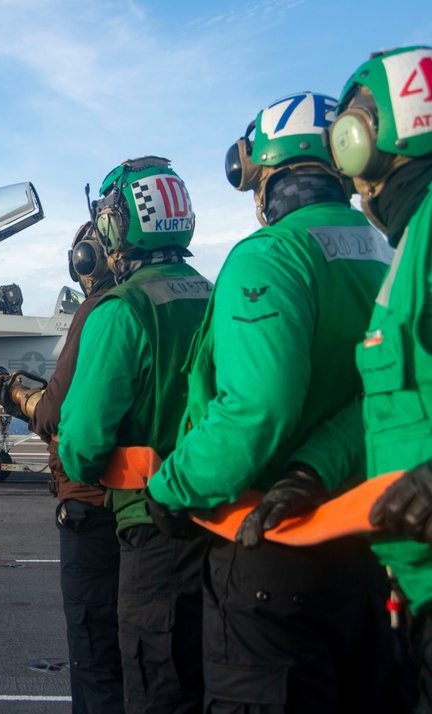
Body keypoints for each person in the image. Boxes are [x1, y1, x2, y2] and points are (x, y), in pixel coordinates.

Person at [145, 91, 407, 712]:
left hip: (271, 553)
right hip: (367, 544)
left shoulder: (271, 255)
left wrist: (171, 488)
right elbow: (387, 393)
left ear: (262, 173)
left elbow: (256, 411)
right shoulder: (393, 250)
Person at [57, 156, 211, 713]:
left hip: (151, 529)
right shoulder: (216, 294)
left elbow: (79, 446)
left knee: (154, 688)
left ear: (119, 227)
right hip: (223, 528)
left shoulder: (122, 310)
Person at [0, 221, 123, 713]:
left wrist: (16, 393)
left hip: (93, 504)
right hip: (153, 507)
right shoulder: (162, 303)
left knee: (96, 654)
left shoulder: (102, 313)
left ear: (88, 259)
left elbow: (58, 417)